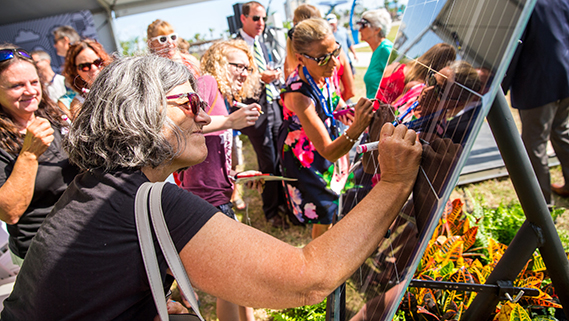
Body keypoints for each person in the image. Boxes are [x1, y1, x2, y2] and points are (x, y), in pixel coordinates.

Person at [0, 53, 421, 321]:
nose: (204, 117)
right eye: (189, 103)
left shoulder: (102, 187)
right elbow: (308, 279)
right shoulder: (147, 199)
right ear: (141, 113)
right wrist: (396, 182)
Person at [178, 39, 261, 321]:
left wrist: (234, 175)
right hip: (205, 200)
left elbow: (210, 150)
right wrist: (229, 122)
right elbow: (188, 123)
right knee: (228, 283)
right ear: (216, 63)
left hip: (219, 196)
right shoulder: (208, 83)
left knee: (239, 275)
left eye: (248, 68)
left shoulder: (223, 96)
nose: (243, 73)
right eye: (237, 65)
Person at [278, 18, 374, 239]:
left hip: (327, 145)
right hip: (307, 158)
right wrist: (357, 127)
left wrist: (346, 110)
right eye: (323, 58)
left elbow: (334, 99)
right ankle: (320, 261)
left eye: (335, 51)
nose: (334, 63)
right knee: (323, 211)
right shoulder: (299, 96)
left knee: (334, 202)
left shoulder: (323, 71)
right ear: (301, 58)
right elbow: (328, 150)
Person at [0, 45, 78, 266]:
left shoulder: (54, 117)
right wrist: (29, 153)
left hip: (86, 237)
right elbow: (10, 212)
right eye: (17, 86)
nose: (30, 91)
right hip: (43, 254)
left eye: (34, 82)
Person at [501, 0, 569, 205]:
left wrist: (499, 88)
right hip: (564, 77)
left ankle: (542, 207)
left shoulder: (524, 4)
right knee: (561, 132)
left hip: (537, 84)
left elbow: (513, 49)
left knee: (534, 144)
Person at [236, 1, 289, 227]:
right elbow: (234, 79)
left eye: (264, 19)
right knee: (267, 162)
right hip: (255, 111)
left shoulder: (261, 43)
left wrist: (273, 76)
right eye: (256, 18)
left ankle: (284, 204)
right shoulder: (235, 46)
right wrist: (260, 77)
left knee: (280, 157)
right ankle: (271, 212)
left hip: (273, 105)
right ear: (243, 19)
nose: (261, 23)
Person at [62, 39, 111, 118]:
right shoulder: (78, 105)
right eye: (85, 66)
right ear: (75, 71)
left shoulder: (120, 85)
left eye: (98, 62)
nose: (94, 68)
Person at [356, 9, 393, 99]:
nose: (360, 30)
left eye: (364, 26)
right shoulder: (377, 50)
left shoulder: (385, 50)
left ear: (377, 29)